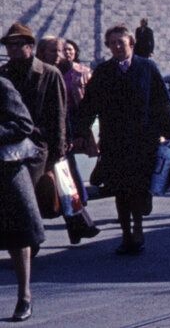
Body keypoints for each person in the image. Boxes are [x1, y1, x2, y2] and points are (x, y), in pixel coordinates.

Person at [76, 25, 170, 255]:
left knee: (139, 189)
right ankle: (127, 235)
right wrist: (81, 131)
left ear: (131, 44)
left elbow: (162, 102)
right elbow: (89, 105)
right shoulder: (103, 72)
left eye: (120, 43)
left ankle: (139, 228)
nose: (116, 47)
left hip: (144, 141)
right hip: (115, 142)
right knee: (121, 190)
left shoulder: (147, 68)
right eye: (112, 43)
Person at [0, 26, 68, 247]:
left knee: (28, 197)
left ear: (31, 46)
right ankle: (21, 242)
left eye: (21, 44)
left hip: (38, 146)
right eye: (11, 45)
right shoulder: (3, 74)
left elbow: (58, 114)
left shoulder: (49, 73)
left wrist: (57, 152)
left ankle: (30, 243)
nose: (15, 49)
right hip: (9, 145)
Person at [30, 38, 99, 244]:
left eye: (59, 51)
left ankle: (78, 225)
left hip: (58, 139)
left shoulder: (55, 73)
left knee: (66, 184)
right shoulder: (39, 74)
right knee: (50, 186)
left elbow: (64, 111)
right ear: (41, 52)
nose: (58, 56)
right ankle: (76, 226)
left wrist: (68, 137)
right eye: (54, 51)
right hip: (40, 139)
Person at [0, 75, 43, 322]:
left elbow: (24, 124)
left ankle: (24, 295)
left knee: (19, 235)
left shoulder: (2, 85)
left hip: (7, 168)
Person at [56, 38, 100, 243]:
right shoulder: (52, 71)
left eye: (70, 49)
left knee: (67, 171)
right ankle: (79, 220)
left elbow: (90, 98)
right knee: (66, 173)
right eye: (63, 50)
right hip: (61, 122)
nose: (66, 53)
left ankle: (79, 212)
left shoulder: (81, 71)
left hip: (75, 119)